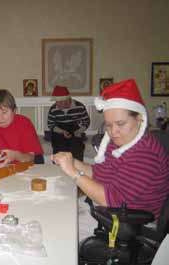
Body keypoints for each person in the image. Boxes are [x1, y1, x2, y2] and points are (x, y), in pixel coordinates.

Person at [51, 79, 169, 240]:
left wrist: (73, 172)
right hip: (108, 210)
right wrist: (73, 162)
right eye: (109, 125)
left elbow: (112, 200)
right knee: (55, 211)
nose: (114, 132)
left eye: (120, 124)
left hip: (128, 223)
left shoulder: (145, 153)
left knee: (56, 234)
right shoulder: (121, 141)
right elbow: (99, 173)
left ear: (140, 118)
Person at [47, 85, 90, 161]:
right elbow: (50, 125)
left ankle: (77, 167)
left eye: (60, 102)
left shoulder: (79, 106)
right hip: (59, 131)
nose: (57, 104)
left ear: (68, 99)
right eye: (56, 102)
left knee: (76, 147)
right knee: (59, 148)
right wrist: (62, 131)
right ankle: (58, 167)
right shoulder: (53, 109)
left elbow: (86, 122)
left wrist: (79, 131)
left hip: (75, 130)